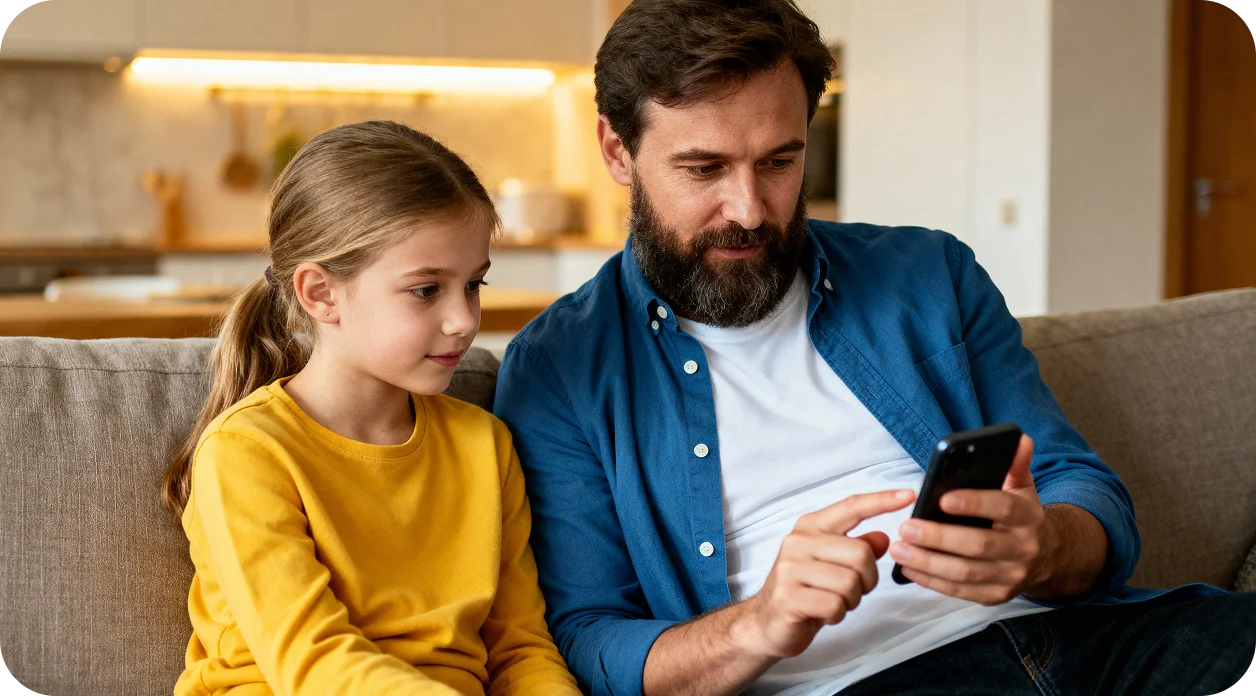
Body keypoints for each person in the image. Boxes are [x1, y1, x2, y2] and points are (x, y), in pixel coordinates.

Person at [491, 2, 1256, 695]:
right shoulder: (560, 369)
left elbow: (1081, 487)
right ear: (618, 152)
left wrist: (1046, 544)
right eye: (704, 169)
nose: (750, 209)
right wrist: (758, 623)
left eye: (779, 161)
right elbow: (588, 641)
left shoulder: (928, 273)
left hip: (1095, 642)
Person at [162, 121, 579, 696]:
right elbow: (313, 660)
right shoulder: (246, 453)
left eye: (474, 285)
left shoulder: (485, 444)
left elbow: (522, 649)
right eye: (426, 289)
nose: (464, 320)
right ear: (321, 294)